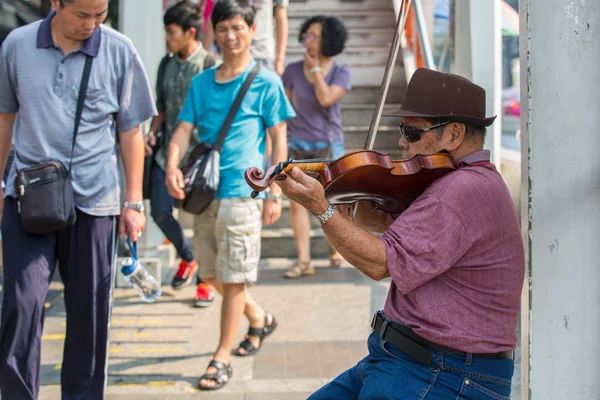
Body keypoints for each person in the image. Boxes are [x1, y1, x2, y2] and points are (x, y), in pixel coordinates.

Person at [276, 68, 525, 399]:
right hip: (412, 360)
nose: (402, 141)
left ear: (454, 134)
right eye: (401, 129)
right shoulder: (466, 182)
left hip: (444, 372)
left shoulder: (458, 191)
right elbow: (406, 238)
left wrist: (323, 209)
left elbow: (381, 263)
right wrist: (357, 209)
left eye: (412, 131)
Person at [0, 0, 156, 399]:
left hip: (96, 202)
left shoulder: (118, 49)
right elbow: (4, 117)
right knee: (21, 302)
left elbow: (131, 130)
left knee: (89, 315)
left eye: (100, 14)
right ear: (56, 3)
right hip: (29, 196)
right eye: (82, 15)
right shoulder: (17, 45)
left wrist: (134, 202)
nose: (92, 24)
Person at [165, 0, 295, 391]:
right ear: (213, 32)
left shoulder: (266, 82)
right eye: (222, 28)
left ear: (252, 30)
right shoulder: (201, 82)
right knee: (208, 272)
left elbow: (278, 140)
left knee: (234, 278)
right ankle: (259, 318)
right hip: (203, 192)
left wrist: (274, 190)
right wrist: (172, 165)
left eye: (238, 27)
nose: (230, 35)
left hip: (243, 192)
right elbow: (183, 130)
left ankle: (220, 357)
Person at [145, 0, 217, 307]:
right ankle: (189, 257)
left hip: (198, 157)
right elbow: (161, 106)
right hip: (167, 153)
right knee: (160, 212)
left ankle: (205, 284)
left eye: (171, 32)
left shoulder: (209, 63)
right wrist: (152, 130)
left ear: (190, 32)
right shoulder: (166, 62)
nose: (167, 38)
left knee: (202, 222)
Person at [281, 15, 350, 278]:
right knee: (297, 203)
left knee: (329, 202)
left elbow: (325, 98)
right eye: (306, 35)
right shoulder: (291, 70)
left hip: (328, 148)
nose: (307, 41)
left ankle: (335, 249)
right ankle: (304, 260)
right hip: (297, 145)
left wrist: (317, 71)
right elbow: (284, 109)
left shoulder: (341, 72)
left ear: (329, 40)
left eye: (314, 36)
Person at [203, 0, 289, 75]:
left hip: (261, 52)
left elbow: (281, 15)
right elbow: (215, 16)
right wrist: (206, 51)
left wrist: (280, 59)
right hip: (227, 53)